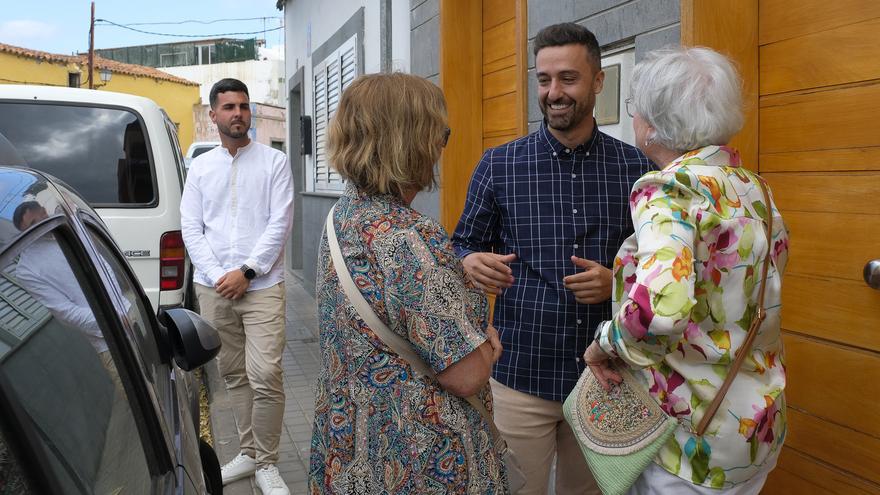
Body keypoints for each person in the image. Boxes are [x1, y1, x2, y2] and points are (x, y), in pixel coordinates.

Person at [452, 22, 652, 494]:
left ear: (598, 81)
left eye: (568, 78)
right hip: (520, 375)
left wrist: (617, 282)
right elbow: (460, 245)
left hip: (607, 376)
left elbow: (663, 269)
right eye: (544, 80)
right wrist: (469, 261)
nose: (554, 92)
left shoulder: (638, 169)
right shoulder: (499, 165)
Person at [582, 47, 789, 494]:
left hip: (689, 439)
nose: (632, 118)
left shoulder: (669, 190)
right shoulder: (755, 190)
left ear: (653, 125)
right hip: (756, 426)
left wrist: (603, 344)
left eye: (634, 108)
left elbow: (659, 309)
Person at [308, 72, 508, 494]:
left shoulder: (340, 219)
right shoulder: (407, 237)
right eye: (441, 132)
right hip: (421, 463)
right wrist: (488, 340)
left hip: (352, 452)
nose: (441, 146)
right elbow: (466, 374)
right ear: (410, 139)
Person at [180, 78, 294, 495]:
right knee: (233, 374)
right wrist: (216, 275)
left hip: (262, 285)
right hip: (213, 288)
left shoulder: (274, 163)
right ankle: (248, 453)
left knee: (266, 373)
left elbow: (279, 223)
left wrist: (246, 271)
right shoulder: (201, 167)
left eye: (244, 106)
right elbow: (191, 227)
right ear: (213, 115)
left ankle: (266, 462)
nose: (238, 114)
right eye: (228, 107)